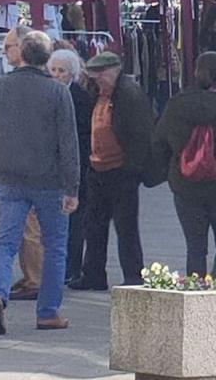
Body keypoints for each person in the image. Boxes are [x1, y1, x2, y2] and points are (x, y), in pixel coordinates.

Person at [0, 30, 79, 335]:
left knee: (5, 244)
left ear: (21, 54)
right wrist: (71, 187)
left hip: (9, 176)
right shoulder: (58, 92)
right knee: (55, 246)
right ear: (47, 59)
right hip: (49, 180)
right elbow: (68, 142)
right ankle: (48, 311)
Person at [69, 52, 155, 291]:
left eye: (99, 77)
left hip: (121, 171)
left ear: (112, 72)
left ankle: (133, 275)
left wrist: (132, 170)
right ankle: (93, 275)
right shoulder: (99, 93)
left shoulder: (129, 94)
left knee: (125, 227)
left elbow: (141, 135)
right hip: (98, 169)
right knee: (93, 225)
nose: (96, 82)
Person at [153, 52, 216, 276]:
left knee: (195, 248)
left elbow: (159, 143)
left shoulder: (178, 104)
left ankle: (197, 295)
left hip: (186, 185)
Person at [1, 26, 43, 303]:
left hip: (31, 168)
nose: (4, 52)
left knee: (31, 229)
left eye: (8, 46)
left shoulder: (29, 82)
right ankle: (32, 276)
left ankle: (36, 279)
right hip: (24, 166)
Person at [48, 49, 93, 283]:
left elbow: (83, 137)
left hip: (77, 167)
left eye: (62, 71)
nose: (57, 75)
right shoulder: (48, 95)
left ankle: (72, 267)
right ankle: (60, 267)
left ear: (72, 74)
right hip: (53, 168)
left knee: (75, 220)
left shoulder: (80, 98)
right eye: (53, 70)